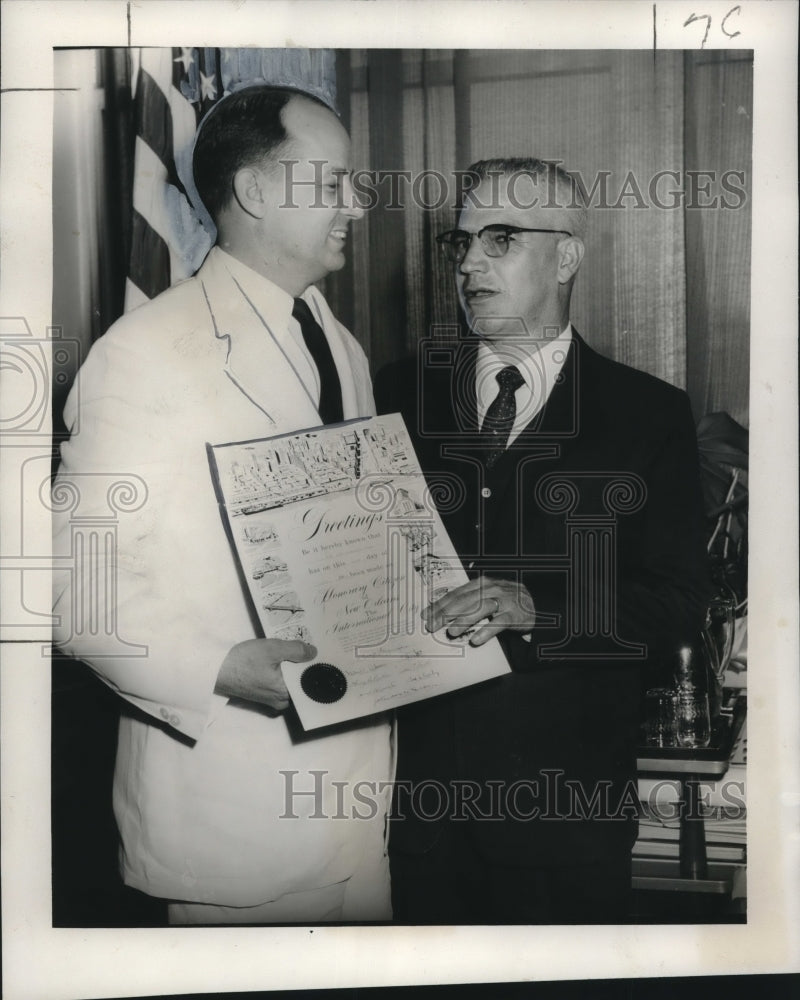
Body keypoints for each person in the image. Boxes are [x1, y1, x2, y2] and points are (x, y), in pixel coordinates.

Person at [52, 85, 393, 925]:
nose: (356, 204)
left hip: (359, 813)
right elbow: (72, 592)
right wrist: (217, 670)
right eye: (333, 182)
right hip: (232, 823)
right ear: (254, 192)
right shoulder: (143, 353)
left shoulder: (338, 343)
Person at [376, 157, 711, 923]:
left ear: (566, 256)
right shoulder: (395, 393)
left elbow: (677, 603)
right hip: (418, 816)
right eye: (459, 242)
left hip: (568, 821)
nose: (467, 264)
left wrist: (539, 607)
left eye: (500, 240)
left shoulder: (645, 413)